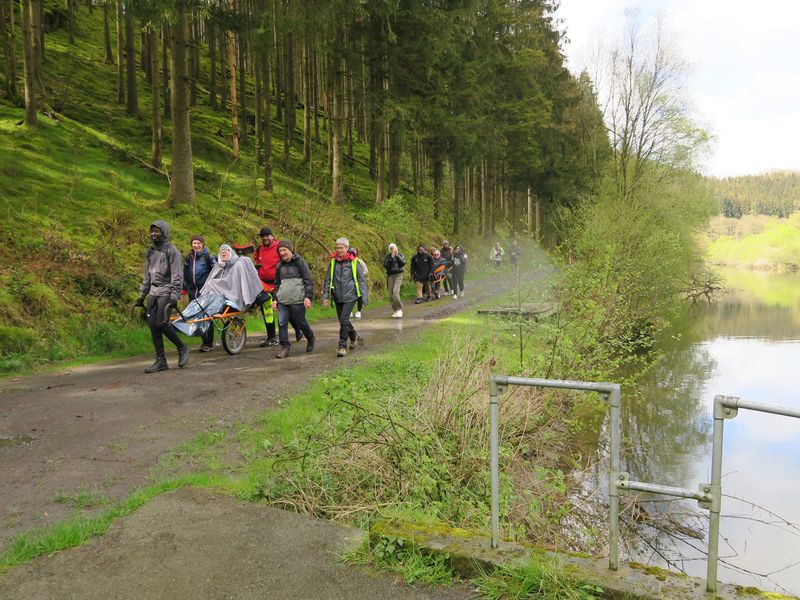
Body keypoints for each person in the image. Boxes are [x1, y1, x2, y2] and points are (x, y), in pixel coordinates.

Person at [133, 220, 189, 373]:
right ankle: (161, 360)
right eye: (152, 231)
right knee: (152, 325)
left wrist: (174, 296)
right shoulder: (150, 251)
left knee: (161, 323)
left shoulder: (172, 251)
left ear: (164, 232)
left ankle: (182, 347)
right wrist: (141, 295)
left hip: (166, 291)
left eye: (157, 231)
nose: (153, 234)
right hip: (153, 292)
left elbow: (177, 275)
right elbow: (146, 275)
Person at [253, 226, 301, 347]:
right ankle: (272, 337)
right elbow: (257, 263)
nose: (265, 238)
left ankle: (298, 329)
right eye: (262, 236)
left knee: (284, 309)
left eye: (267, 235)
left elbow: (288, 260)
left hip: (279, 283)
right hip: (264, 284)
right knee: (267, 310)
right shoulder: (259, 249)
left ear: (272, 236)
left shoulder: (279, 247)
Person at [322, 237, 368, 357]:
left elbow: (361, 280)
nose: (339, 250)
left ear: (347, 248)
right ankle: (353, 336)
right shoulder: (333, 262)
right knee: (344, 321)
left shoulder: (354, 262)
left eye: (341, 248)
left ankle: (342, 346)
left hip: (351, 296)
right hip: (337, 296)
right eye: (337, 248)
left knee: (343, 320)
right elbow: (327, 280)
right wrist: (325, 296)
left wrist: (364, 297)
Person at [272, 240, 315, 358]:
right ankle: (285, 347)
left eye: (284, 250)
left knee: (300, 322)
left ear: (291, 250)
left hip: (297, 300)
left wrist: (308, 297)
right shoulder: (279, 265)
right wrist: (275, 299)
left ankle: (310, 337)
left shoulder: (300, 262)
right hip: (283, 301)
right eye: (280, 251)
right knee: (282, 323)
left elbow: (308, 281)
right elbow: (276, 284)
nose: (282, 253)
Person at [183, 235, 216, 352]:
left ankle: (208, 343)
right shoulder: (189, 257)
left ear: (203, 244)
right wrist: (184, 287)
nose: (196, 245)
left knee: (206, 316)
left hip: (205, 291)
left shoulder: (208, 257)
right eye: (194, 243)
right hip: (192, 291)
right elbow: (185, 273)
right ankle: (204, 341)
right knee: (197, 316)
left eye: (198, 243)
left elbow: (216, 273)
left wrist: (212, 288)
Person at [383, 243, 405, 318]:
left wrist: (397, 255)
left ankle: (400, 309)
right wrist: (392, 257)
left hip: (398, 275)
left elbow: (403, 263)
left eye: (393, 248)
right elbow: (386, 265)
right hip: (390, 275)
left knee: (395, 292)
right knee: (391, 294)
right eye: (391, 248)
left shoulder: (400, 255)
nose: (392, 250)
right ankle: (395, 310)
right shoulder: (388, 257)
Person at [350, 247, 368, 319]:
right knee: (350, 297)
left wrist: (361, 274)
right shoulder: (348, 261)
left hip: (359, 283)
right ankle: (350, 311)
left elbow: (366, 271)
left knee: (359, 297)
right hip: (351, 283)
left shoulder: (360, 261)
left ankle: (358, 311)